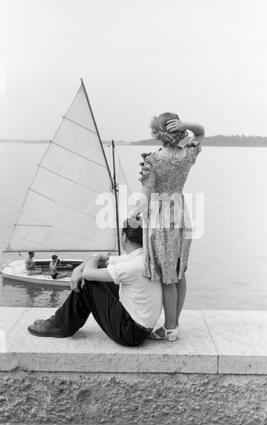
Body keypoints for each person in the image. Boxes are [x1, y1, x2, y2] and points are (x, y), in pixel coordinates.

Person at [27, 219, 163, 347]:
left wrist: (93, 258)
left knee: (90, 283)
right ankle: (61, 320)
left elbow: (88, 273)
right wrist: (78, 269)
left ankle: (60, 325)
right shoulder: (141, 258)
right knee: (100, 277)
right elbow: (104, 262)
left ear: (124, 237)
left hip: (130, 333)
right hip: (140, 329)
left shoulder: (132, 266)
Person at [130, 113, 205, 341]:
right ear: (180, 131)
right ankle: (175, 323)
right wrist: (187, 124)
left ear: (157, 133)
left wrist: (132, 215)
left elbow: (145, 198)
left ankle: (170, 327)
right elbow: (201, 131)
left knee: (167, 277)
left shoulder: (152, 160)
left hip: (161, 219)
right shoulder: (187, 154)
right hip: (181, 215)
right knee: (179, 273)